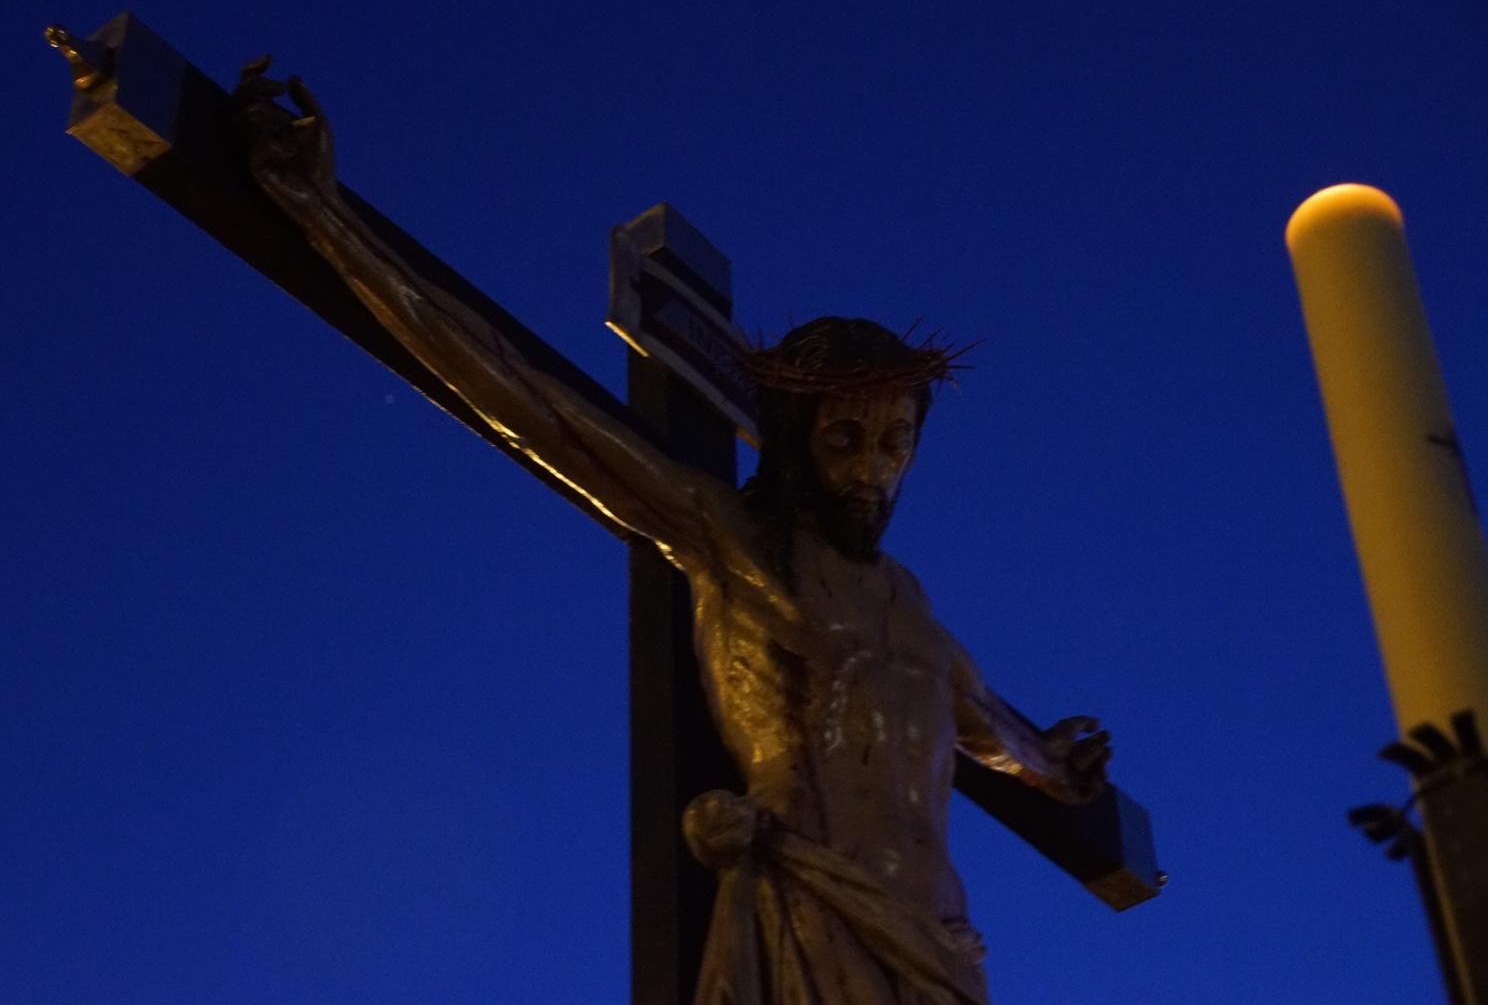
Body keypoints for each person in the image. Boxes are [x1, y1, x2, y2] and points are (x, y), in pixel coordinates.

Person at [235, 63, 1111, 1005]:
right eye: (844, 439)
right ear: (796, 441)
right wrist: (323, 215)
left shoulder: (919, 620)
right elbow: (529, 404)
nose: (872, 470)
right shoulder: (732, 538)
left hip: (943, 951)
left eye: (895, 442)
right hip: (817, 910)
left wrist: (1060, 764)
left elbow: (1018, 746)